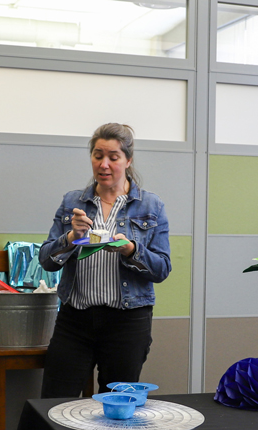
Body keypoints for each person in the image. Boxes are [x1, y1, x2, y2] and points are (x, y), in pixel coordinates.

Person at [39, 123, 172, 397]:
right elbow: (46, 261)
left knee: (116, 409)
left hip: (127, 323)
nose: (104, 164)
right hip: (74, 320)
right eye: (98, 155)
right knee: (54, 404)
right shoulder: (72, 202)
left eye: (113, 157)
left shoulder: (151, 206)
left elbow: (162, 269)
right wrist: (70, 237)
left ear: (128, 160)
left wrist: (131, 250)